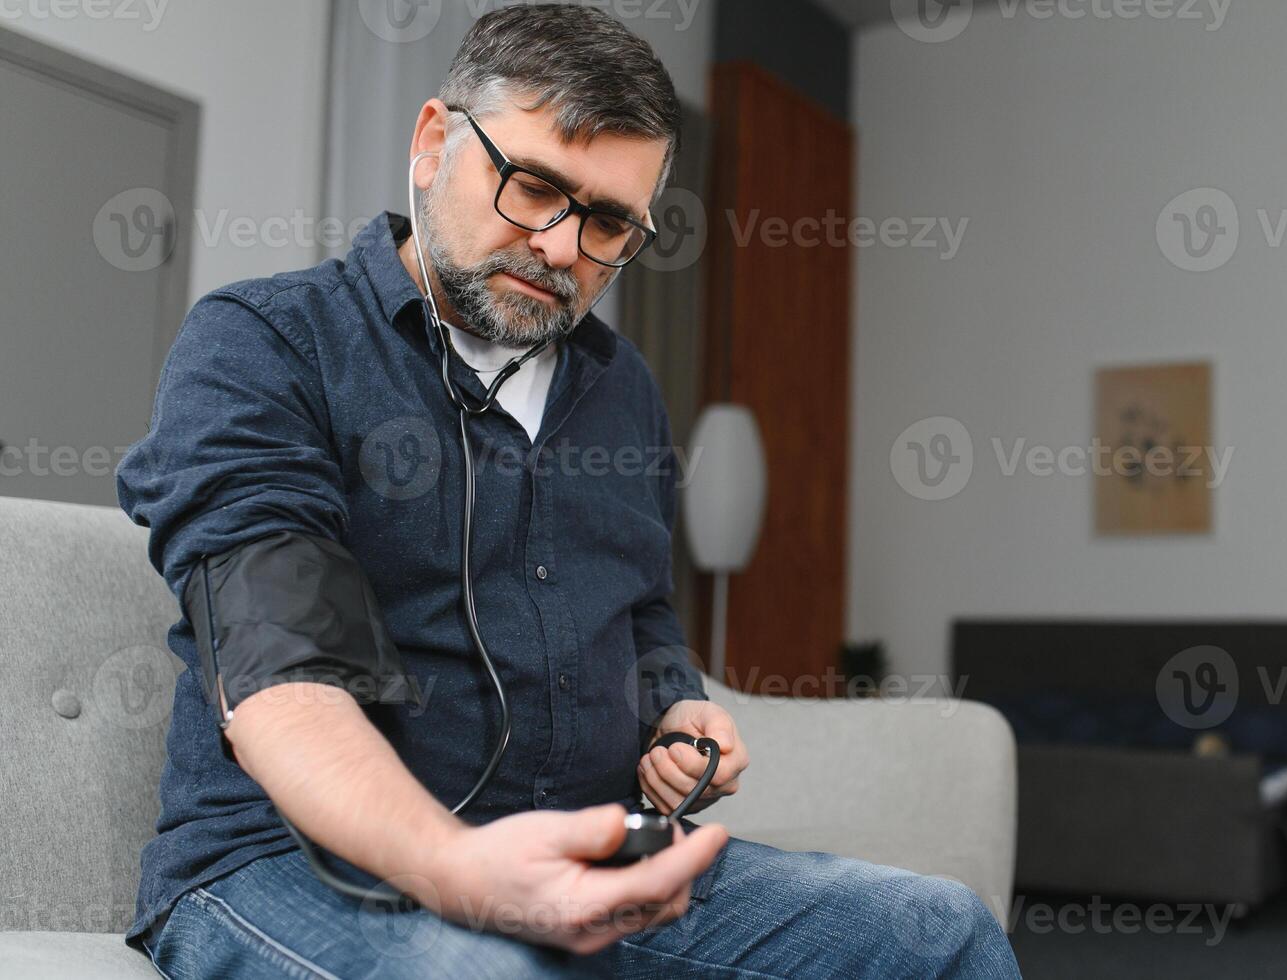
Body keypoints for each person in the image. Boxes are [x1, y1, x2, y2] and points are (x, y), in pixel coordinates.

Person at [115, 5, 1022, 977]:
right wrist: (464, 867)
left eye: (607, 221)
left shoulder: (622, 385)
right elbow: (281, 671)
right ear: (433, 144)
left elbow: (640, 607)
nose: (560, 246)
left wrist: (674, 707)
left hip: (590, 844)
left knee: (942, 927)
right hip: (294, 863)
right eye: (534, 186)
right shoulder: (266, 342)